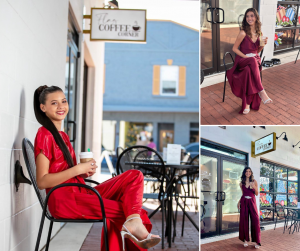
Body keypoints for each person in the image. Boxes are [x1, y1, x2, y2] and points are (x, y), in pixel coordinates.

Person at [33, 85, 160, 251]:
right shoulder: (44, 134)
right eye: (54, 103)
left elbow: (66, 173)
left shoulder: (62, 136)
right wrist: (78, 169)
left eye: (63, 101)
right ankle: (133, 225)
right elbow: (42, 181)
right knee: (130, 211)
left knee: (134, 176)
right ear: (43, 108)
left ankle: (133, 223)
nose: (61, 106)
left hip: (80, 192)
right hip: (65, 200)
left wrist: (83, 172)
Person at [227, 8, 272, 115]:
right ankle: (261, 91)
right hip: (242, 60)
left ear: (256, 18)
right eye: (247, 16)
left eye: (252, 16)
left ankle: (246, 103)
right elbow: (234, 49)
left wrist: (263, 45)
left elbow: (257, 50)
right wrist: (246, 57)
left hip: (254, 61)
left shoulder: (259, 33)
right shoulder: (243, 33)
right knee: (251, 61)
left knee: (248, 71)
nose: (249, 18)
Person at [237, 167, 261, 249]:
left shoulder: (254, 181)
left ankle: (257, 241)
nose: (248, 173)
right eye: (246, 171)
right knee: (244, 220)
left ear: (251, 173)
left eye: (249, 171)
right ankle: (246, 240)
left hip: (252, 202)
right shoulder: (241, 183)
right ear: (244, 173)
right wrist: (239, 201)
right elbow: (243, 193)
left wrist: (254, 187)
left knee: (255, 219)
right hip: (244, 202)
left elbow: (257, 194)